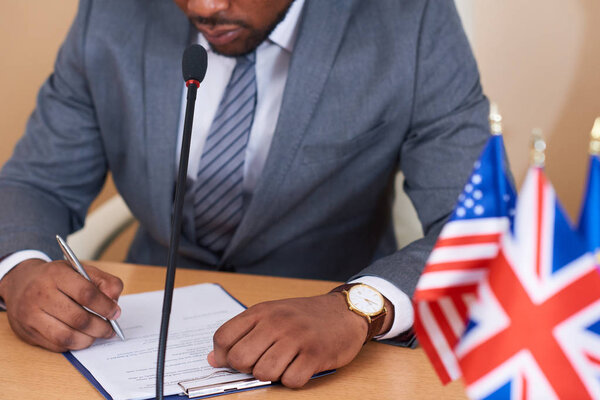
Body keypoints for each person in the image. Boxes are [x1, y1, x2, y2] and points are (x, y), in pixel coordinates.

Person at [0, 0, 490, 389]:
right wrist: (18, 268)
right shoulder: (111, 11)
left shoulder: (413, 17)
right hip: (140, 333)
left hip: (329, 342)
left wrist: (360, 306)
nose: (204, 7)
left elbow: (478, 223)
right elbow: (34, 182)